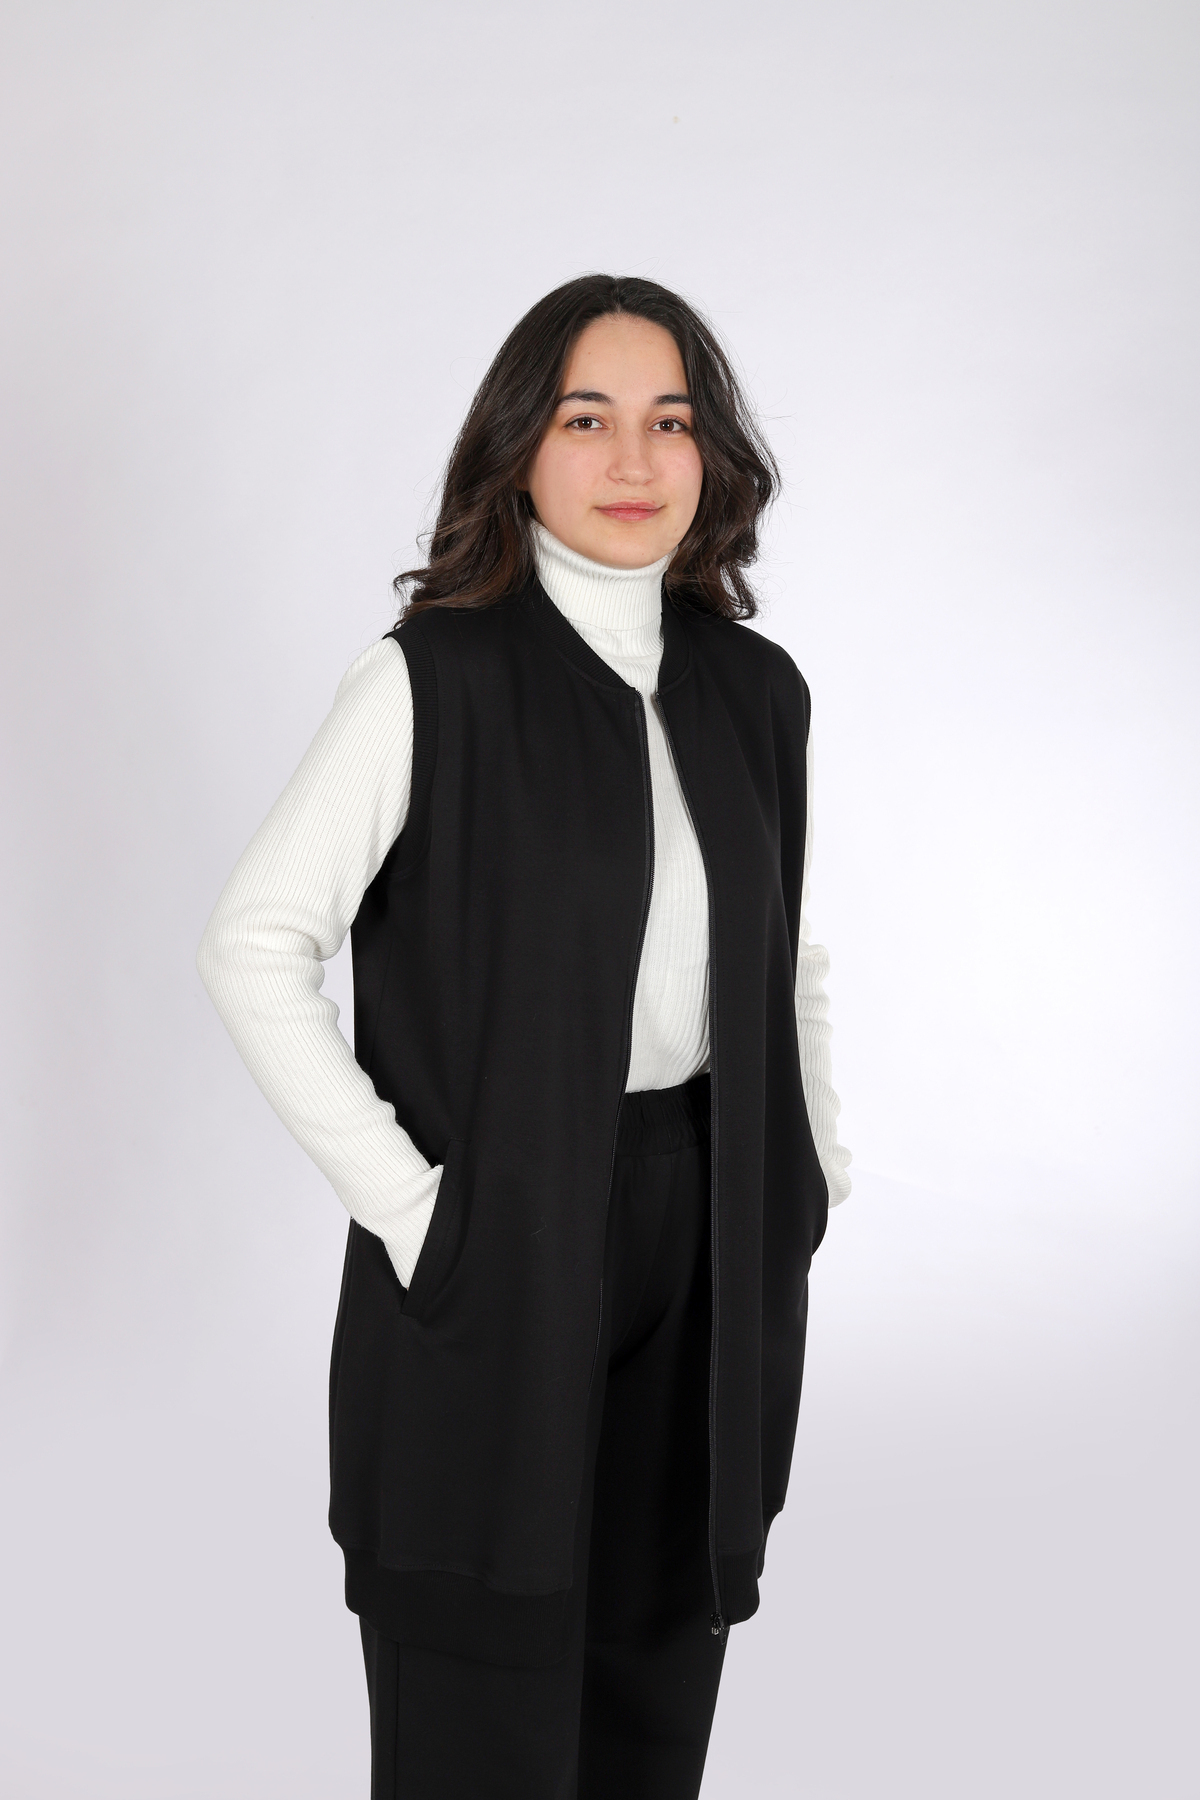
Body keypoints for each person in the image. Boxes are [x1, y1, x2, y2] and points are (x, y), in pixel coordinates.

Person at [197, 273, 851, 1800]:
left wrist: (808, 1175)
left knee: (652, 1685)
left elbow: (790, 950)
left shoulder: (755, 692)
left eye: (670, 422)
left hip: (710, 1222)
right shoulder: (432, 679)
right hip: (503, 1236)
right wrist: (421, 1216)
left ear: (713, 454)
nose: (635, 462)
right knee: (481, 1704)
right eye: (587, 419)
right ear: (519, 448)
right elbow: (254, 945)